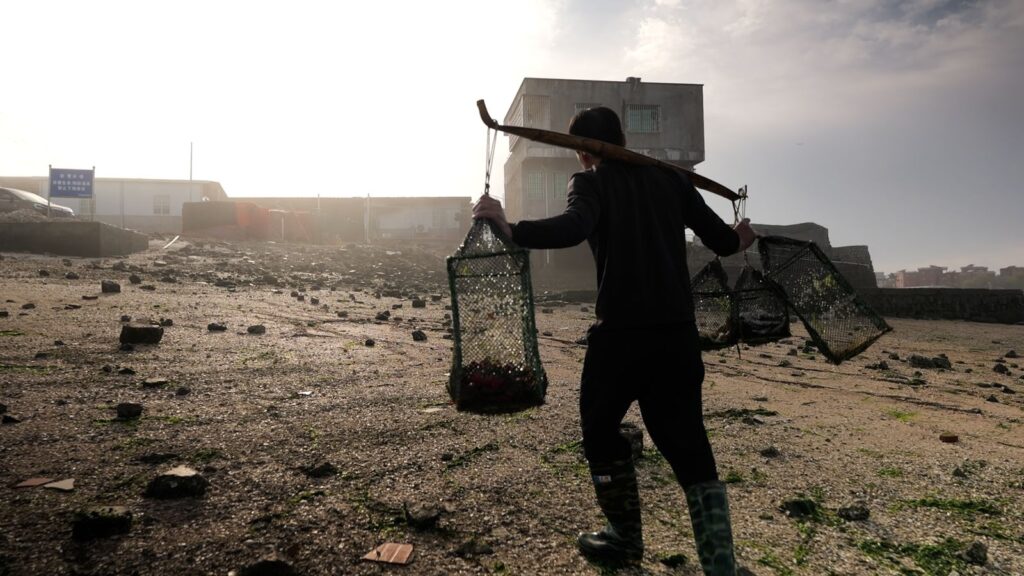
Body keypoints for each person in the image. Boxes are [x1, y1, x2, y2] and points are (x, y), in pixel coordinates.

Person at [472, 106, 756, 575]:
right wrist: (742, 237)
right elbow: (724, 243)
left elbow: (573, 227)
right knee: (688, 443)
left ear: (582, 151)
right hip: (676, 337)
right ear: (621, 138)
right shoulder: (672, 182)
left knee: (600, 433)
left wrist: (512, 229)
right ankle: (719, 565)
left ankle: (624, 537)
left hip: (620, 338)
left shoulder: (591, 182)